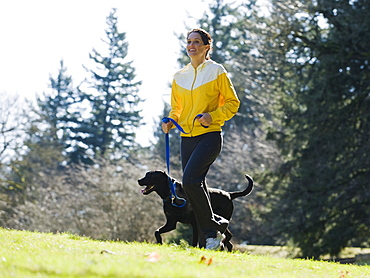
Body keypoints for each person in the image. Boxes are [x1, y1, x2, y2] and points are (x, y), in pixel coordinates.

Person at [162, 28, 240, 250]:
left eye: (196, 42)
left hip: (210, 136)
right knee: (195, 185)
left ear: (207, 47)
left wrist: (212, 116)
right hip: (187, 138)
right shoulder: (180, 76)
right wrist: (170, 120)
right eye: (188, 42)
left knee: (189, 181)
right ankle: (214, 232)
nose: (191, 45)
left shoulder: (217, 71)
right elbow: (177, 109)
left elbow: (233, 103)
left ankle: (212, 230)